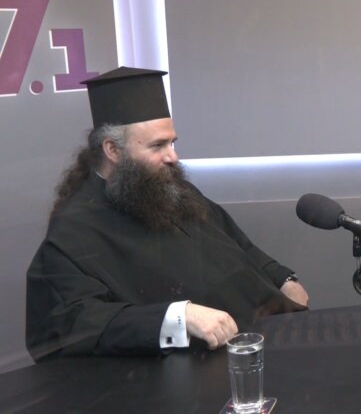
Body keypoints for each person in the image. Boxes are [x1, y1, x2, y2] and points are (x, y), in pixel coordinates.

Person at [26, 67, 309, 361]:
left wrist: (282, 278)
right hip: (190, 370)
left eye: (172, 142)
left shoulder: (171, 191)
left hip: (261, 339)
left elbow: (238, 246)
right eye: (158, 146)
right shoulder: (74, 230)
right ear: (113, 150)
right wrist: (177, 317)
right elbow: (70, 324)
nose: (173, 156)